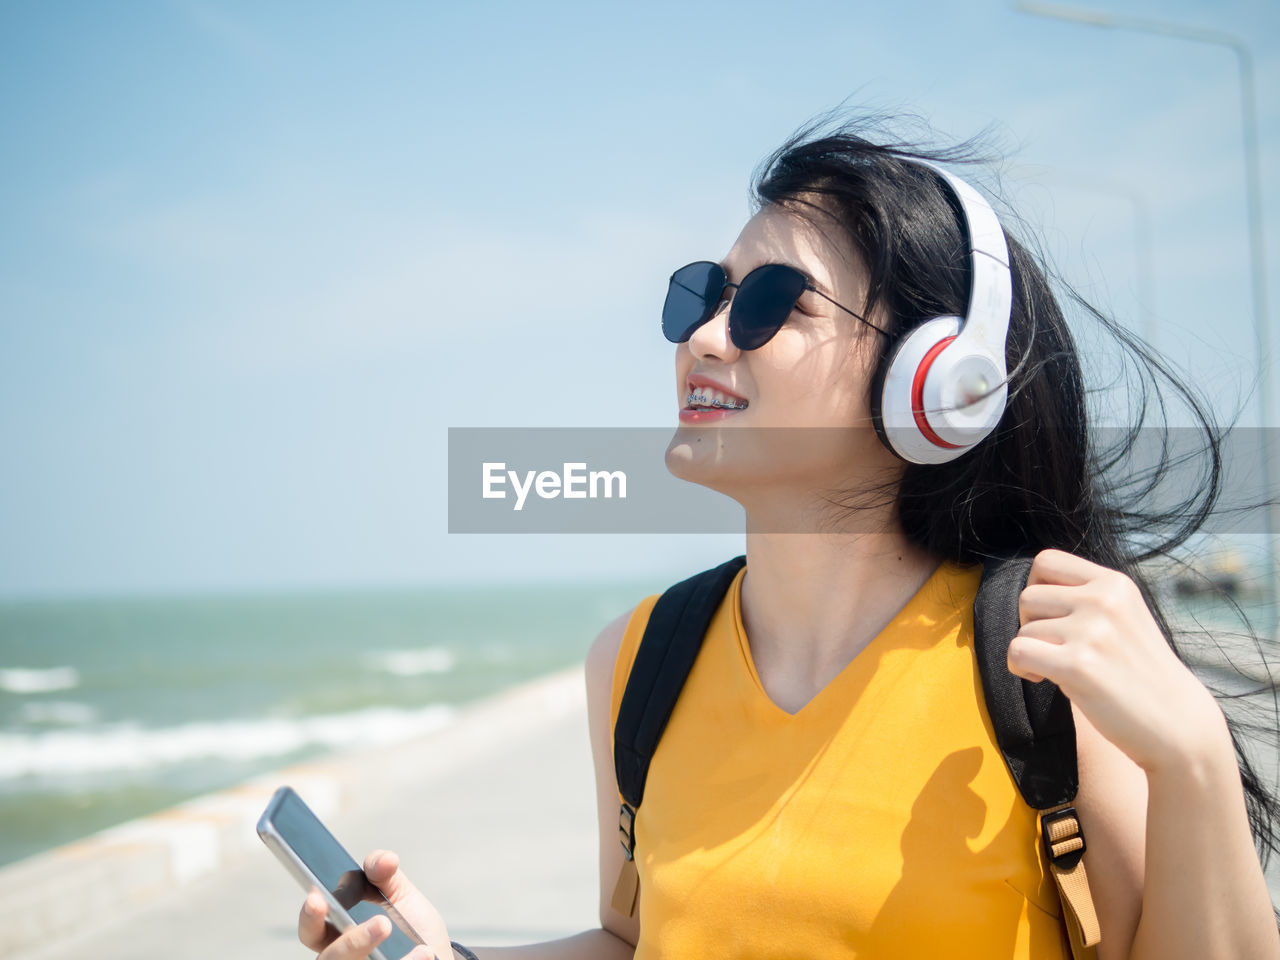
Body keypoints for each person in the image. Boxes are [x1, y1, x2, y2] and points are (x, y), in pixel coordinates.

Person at [295, 114, 1280, 959]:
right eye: (703, 294)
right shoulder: (643, 660)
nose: (708, 337)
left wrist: (1189, 756)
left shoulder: (1045, 658)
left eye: (770, 302)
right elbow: (634, 939)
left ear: (934, 384)